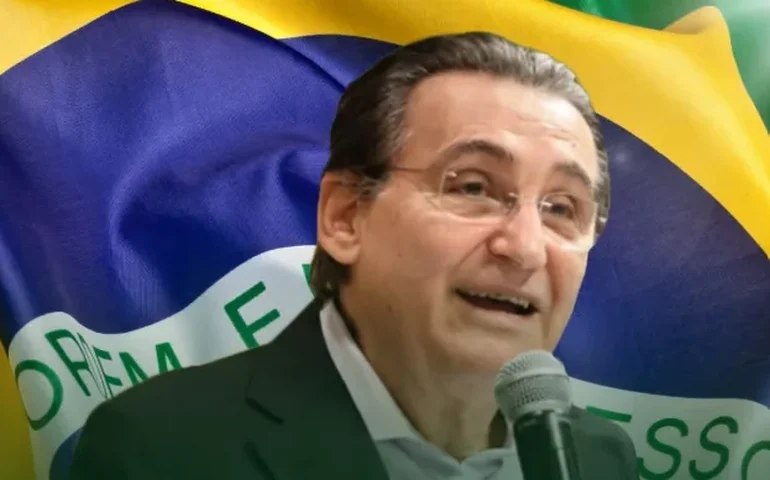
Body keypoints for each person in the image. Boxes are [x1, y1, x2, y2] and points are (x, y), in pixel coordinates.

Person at [70, 32, 638, 479]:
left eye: (562, 208)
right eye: (472, 187)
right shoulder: (165, 449)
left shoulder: (599, 458)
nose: (525, 248)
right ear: (344, 216)